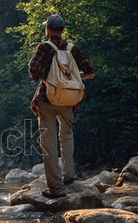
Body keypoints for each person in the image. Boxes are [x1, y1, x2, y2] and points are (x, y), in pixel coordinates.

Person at [28, 14, 94, 199]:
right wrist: (71, 79)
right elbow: (90, 71)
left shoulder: (44, 47)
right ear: (62, 30)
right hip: (68, 99)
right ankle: (69, 176)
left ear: (47, 30)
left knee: (48, 142)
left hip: (47, 98)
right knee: (67, 135)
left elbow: (33, 70)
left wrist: (47, 77)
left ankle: (56, 188)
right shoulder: (73, 49)